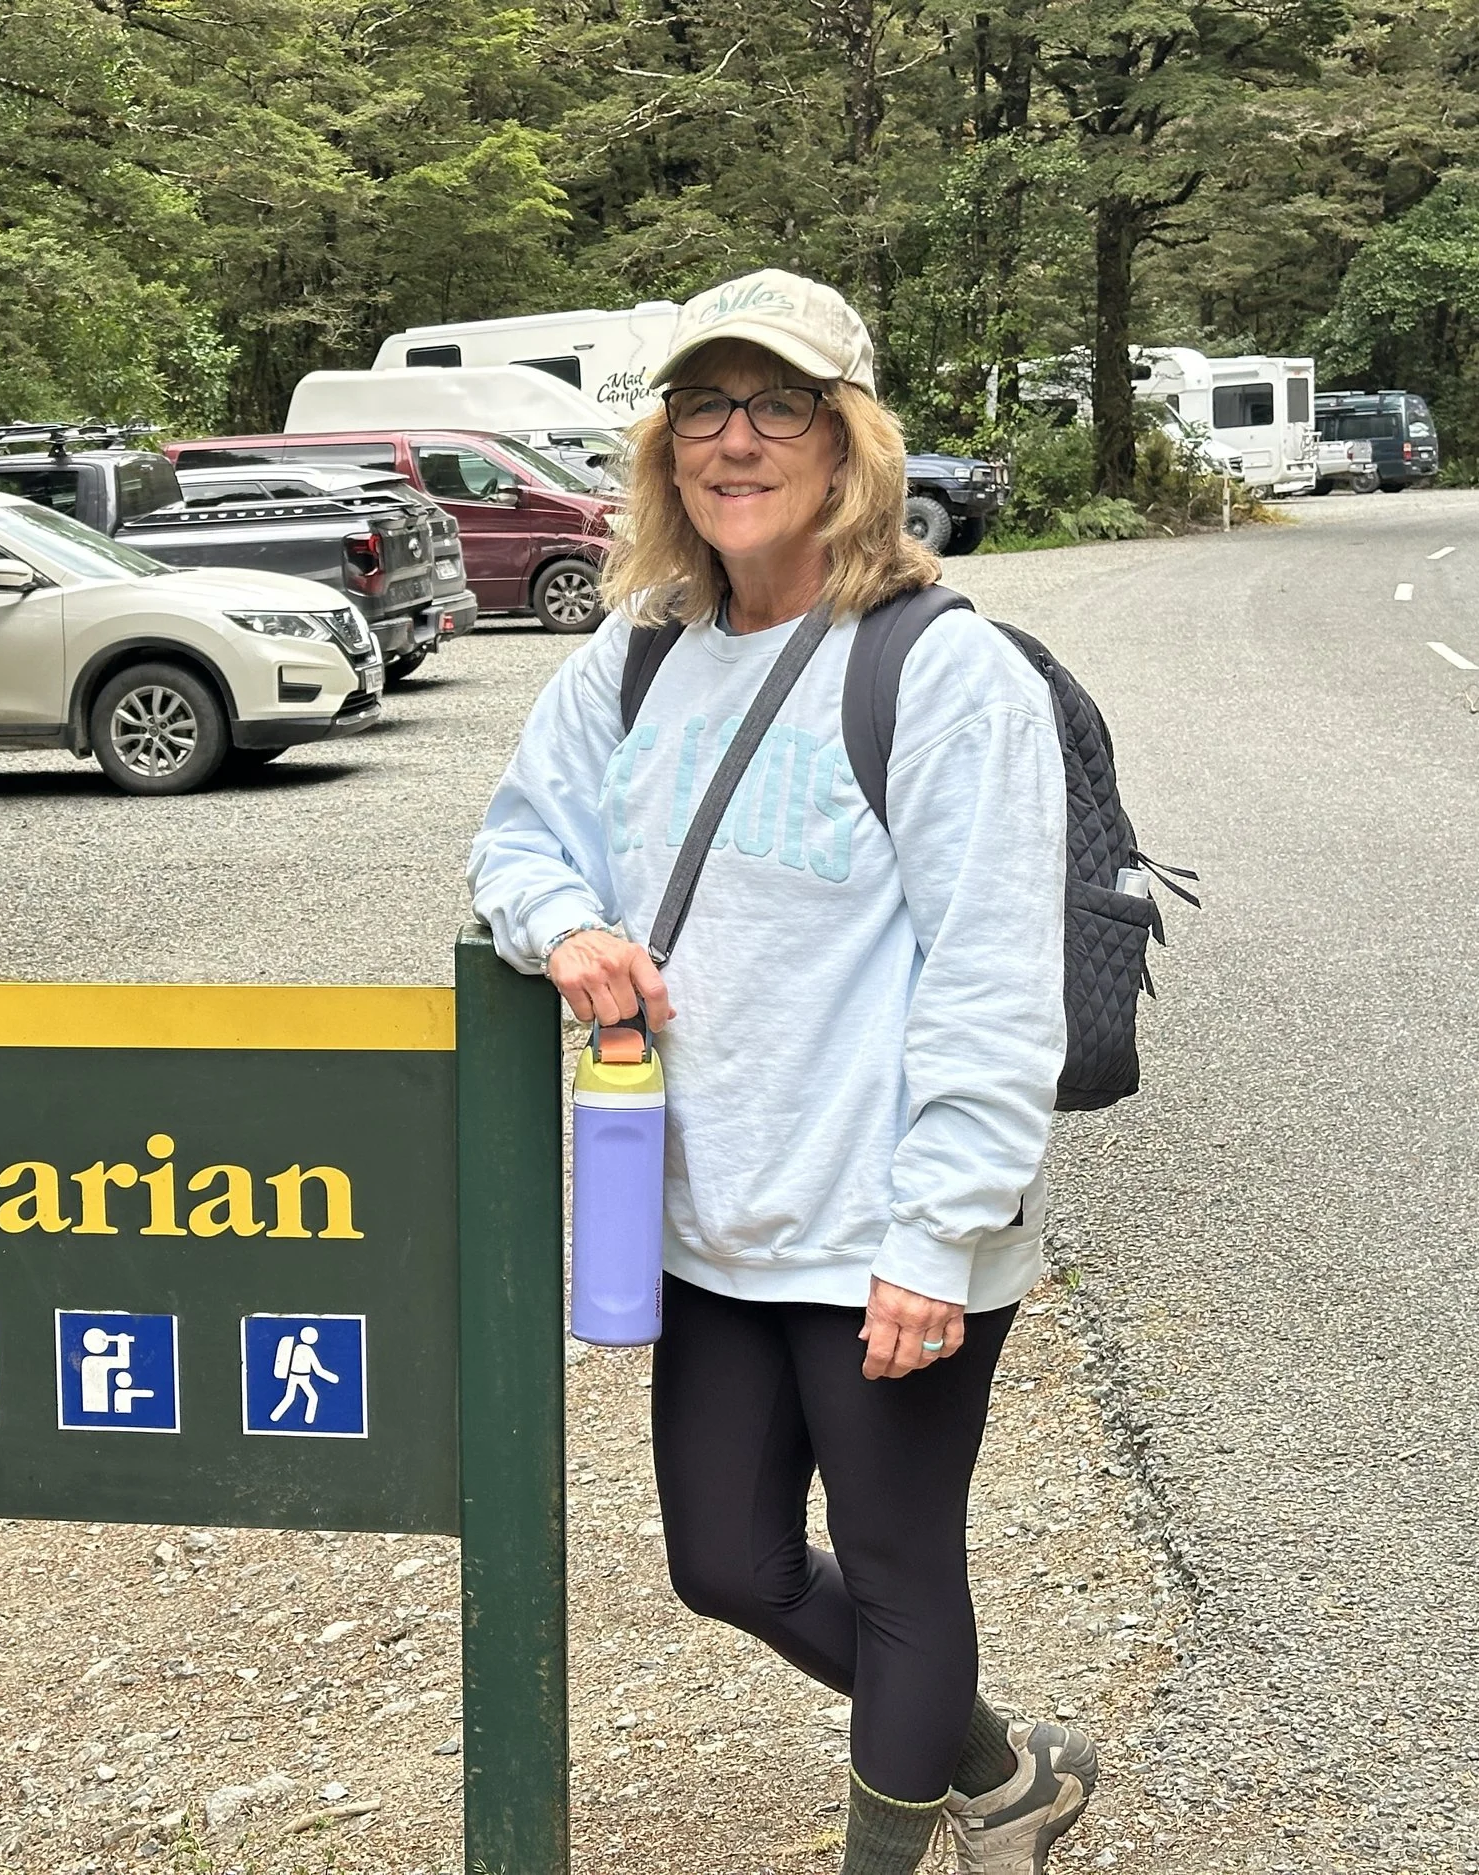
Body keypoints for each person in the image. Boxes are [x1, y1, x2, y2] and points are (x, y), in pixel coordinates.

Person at [468, 268, 1095, 1875]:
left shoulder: (941, 670)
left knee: (895, 1570)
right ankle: (1003, 1767)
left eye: (779, 406)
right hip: (712, 1219)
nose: (733, 440)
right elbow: (518, 837)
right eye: (702, 405)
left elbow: (994, 978)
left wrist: (937, 1232)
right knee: (728, 1566)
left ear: (849, 443)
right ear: (664, 442)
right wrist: (565, 929)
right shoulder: (638, 653)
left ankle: (907, 1844)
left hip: (886, 1221)